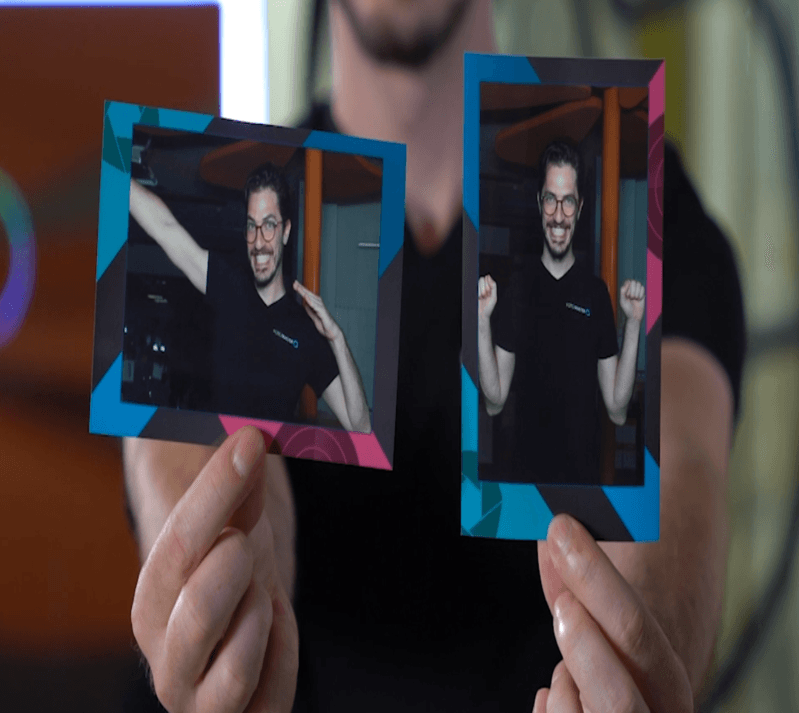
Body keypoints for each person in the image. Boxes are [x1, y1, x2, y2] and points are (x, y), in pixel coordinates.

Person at [122, 1, 746, 711]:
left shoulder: (653, 210)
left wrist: (645, 647)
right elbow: (178, 447)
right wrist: (212, 585)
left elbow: (684, 463)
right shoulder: (235, 197)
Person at [128, 161, 371, 432]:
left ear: (286, 232)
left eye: (269, 225)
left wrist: (337, 339)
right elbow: (165, 227)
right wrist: (114, 171)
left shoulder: (306, 331)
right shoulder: (228, 286)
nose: (258, 242)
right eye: (251, 226)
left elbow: (359, 426)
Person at [478, 139, 645, 485]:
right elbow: (494, 401)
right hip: (525, 482)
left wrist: (633, 324)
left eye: (568, 201)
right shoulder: (517, 289)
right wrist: (481, 320)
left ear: (580, 207)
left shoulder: (596, 294)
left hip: (583, 484)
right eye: (551, 200)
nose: (558, 215)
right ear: (539, 203)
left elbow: (616, 408)